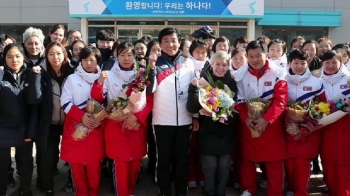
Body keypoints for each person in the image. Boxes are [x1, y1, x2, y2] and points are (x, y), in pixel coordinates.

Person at [91, 41, 155, 196]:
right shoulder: (109, 74)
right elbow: (98, 98)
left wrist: (137, 117)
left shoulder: (142, 74)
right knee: (120, 166)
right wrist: (99, 83)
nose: (126, 58)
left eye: (129, 55)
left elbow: (150, 99)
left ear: (135, 56)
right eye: (122, 55)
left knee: (135, 165)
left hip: (136, 126)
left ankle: (130, 191)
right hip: (116, 125)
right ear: (116, 56)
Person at [234, 40, 288, 196]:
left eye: (258, 55)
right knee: (247, 159)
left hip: (272, 124)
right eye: (250, 56)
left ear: (266, 54)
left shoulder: (279, 72)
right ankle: (248, 189)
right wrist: (246, 119)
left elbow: (281, 100)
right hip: (249, 123)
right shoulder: (240, 75)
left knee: (275, 161)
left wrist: (267, 119)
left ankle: (275, 191)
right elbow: (240, 101)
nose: (255, 59)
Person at [150, 27, 196, 196]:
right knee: (163, 161)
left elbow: (195, 92)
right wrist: (150, 68)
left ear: (180, 42)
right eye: (166, 41)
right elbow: (148, 90)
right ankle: (164, 192)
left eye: (174, 40)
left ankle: (181, 192)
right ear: (160, 44)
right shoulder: (156, 63)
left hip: (185, 121)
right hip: (162, 122)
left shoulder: (188, 62)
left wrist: (196, 116)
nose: (170, 44)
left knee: (183, 162)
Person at [187, 51, 238, 196]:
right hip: (208, 133)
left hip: (226, 133)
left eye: (224, 65)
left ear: (228, 66)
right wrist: (194, 90)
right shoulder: (203, 81)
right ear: (212, 64)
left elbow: (236, 110)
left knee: (224, 166)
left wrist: (224, 115)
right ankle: (209, 192)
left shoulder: (232, 83)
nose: (221, 68)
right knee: (210, 167)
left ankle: (221, 193)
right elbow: (192, 108)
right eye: (217, 64)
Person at [60, 46, 104, 196]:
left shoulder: (104, 78)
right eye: (85, 59)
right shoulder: (72, 78)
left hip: (95, 128)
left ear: (98, 60)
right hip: (75, 128)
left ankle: (94, 193)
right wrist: (81, 116)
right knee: (76, 167)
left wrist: (99, 118)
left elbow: (108, 102)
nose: (89, 63)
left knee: (94, 168)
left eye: (92, 59)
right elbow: (65, 102)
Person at [0, 43, 41, 196]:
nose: (14, 60)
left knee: (26, 162)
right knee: (2, 163)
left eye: (17, 56)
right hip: (3, 127)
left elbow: (35, 100)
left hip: (25, 126)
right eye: (9, 57)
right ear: (4, 59)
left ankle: (25, 189)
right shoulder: (1, 75)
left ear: (23, 57)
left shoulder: (31, 74)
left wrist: (36, 77)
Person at [35, 42, 75, 196]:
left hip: (69, 121)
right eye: (51, 54)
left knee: (72, 154)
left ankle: (73, 181)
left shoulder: (73, 71)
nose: (55, 57)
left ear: (64, 54)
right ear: (46, 55)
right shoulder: (40, 71)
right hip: (48, 121)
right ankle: (46, 185)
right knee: (46, 155)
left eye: (58, 53)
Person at [284, 49, 326, 196]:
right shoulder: (282, 80)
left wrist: (310, 118)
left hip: (307, 131)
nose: (299, 66)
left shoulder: (316, 82)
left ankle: (301, 192)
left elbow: (323, 105)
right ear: (289, 63)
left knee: (302, 163)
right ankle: (290, 188)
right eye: (296, 62)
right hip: (287, 129)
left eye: (303, 63)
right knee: (289, 163)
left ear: (308, 63)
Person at [319, 50, 350, 196]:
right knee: (328, 159)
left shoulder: (348, 79)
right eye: (327, 62)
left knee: (344, 160)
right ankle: (331, 188)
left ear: (341, 63)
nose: (330, 66)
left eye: (334, 62)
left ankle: (344, 191)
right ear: (322, 64)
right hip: (325, 126)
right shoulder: (318, 81)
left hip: (346, 125)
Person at [186, 39, 209, 189]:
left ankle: (202, 175)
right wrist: (194, 116)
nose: (200, 55)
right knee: (190, 147)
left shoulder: (211, 67)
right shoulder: (186, 67)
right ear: (191, 53)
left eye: (203, 53)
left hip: (208, 114)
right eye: (197, 52)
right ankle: (191, 176)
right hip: (190, 113)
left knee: (203, 148)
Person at [145, 40, 161, 181]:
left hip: (164, 111)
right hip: (149, 111)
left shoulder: (167, 66)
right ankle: (151, 166)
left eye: (160, 50)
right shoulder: (144, 68)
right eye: (155, 50)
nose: (158, 53)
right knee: (152, 140)